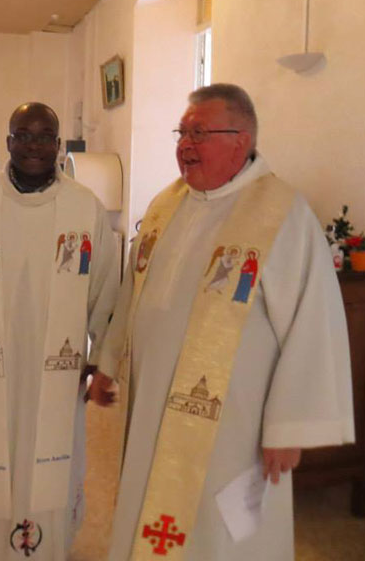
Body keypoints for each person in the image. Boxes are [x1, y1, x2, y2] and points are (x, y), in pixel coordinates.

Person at [90, 84, 355, 560]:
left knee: (221, 531)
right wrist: (109, 362)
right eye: (182, 133)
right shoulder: (166, 204)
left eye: (199, 133)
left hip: (234, 423)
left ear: (241, 141)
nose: (185, 145)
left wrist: (288, 427)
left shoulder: (282, 214)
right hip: (152, 402)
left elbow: (313, 326)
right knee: (149, 504)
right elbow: (135, 292)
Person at [0, 102, 118, 561]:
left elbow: (106, 286)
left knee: (54, 456)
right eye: (23, 135)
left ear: (58, 144)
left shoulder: (84, 207)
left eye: (44, 135)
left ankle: (49, 543)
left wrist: (100, 357)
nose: (34, 145)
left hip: (60, 366)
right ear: (9, 141)